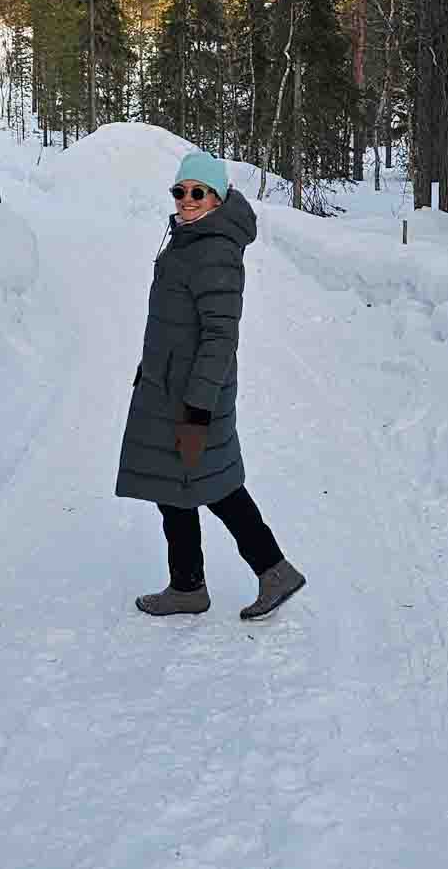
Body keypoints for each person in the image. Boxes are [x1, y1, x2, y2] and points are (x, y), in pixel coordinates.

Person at [115, 149, 306, 620]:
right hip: (166, 389)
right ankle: (186, 586)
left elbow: (221, 338)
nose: (187, 200)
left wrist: (198, 407)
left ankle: (273, 569)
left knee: (215, 484)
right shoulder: (187, 239)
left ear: (218, 198)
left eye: (199, 192)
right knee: (172, 485)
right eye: (180, 191)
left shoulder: (215, 250)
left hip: (195, 395)